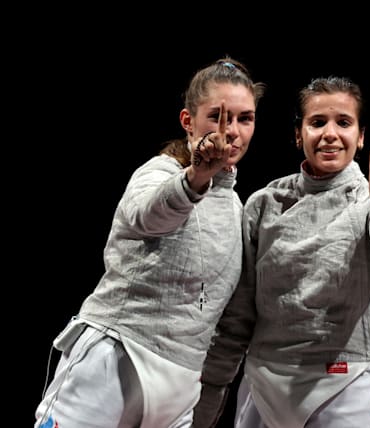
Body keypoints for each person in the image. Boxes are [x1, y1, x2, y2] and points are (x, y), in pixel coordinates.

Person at [33, 57, 266, 428]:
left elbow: (227, 318)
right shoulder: (160, 171)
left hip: (180, 386)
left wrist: (210, 394)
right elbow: (148, 216)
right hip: (116, 357)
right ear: (188, 121)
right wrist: (195, 177)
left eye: (245, 118)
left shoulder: (237, 209)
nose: (232, 131)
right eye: (217, 116)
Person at [192, 75, 370, 428]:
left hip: (343, 384)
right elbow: (239, 312)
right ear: (298, 134)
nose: (330, 134)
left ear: (360, 136)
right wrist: (213, 386)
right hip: (262, 382)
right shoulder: (265, 203)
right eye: (317, 122)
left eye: (343, 122)